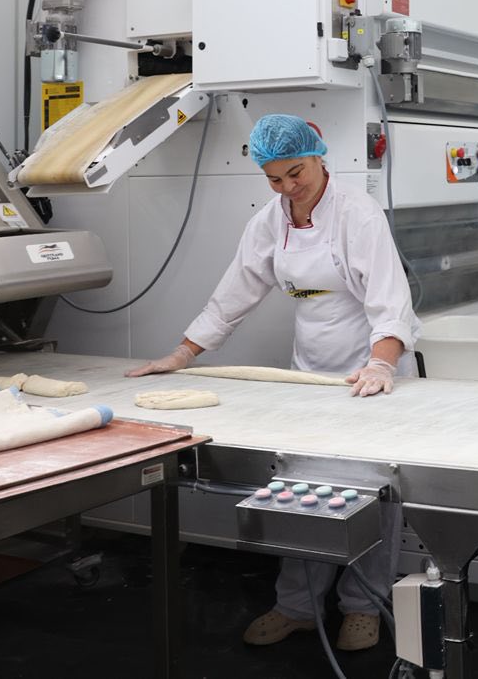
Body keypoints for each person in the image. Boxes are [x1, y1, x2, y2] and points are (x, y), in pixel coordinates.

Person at [127, 114, 420, 653]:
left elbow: (389, 300)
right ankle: (298, 607)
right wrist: (183, 352)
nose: (287, 187)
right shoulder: (270, 221)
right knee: (302, 488)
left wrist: (381, 365)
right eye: (274, 179)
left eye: (296, 173)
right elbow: (235, 292)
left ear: (318, 157)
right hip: (309, 373)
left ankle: (362, 605)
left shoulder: (357, 214)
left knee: (376, 493)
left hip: (369, 370)